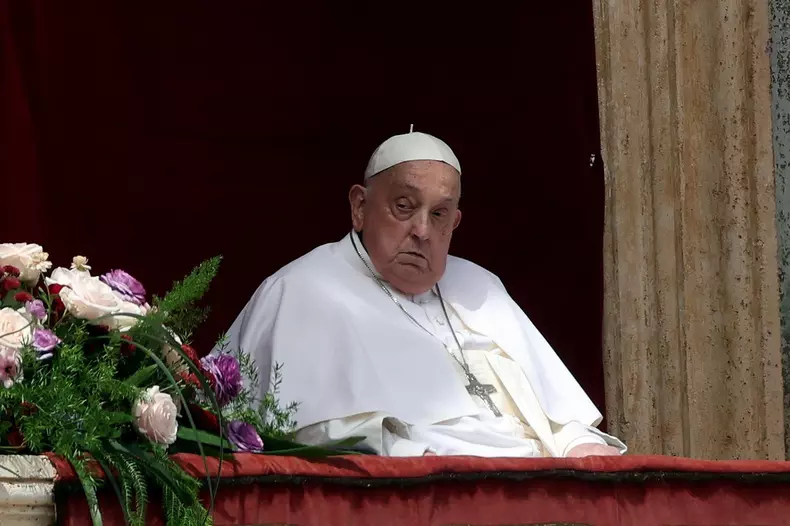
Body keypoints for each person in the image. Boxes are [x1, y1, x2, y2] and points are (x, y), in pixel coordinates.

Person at [217, 130, 626, 457]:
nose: (422, 231)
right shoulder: (302, 291)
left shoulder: (481, 288)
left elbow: (555, 412)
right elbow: (316, 432)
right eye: (403, 206)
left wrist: (577, 443)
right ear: (360, 207)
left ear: (456, 222)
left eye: (439, 214)